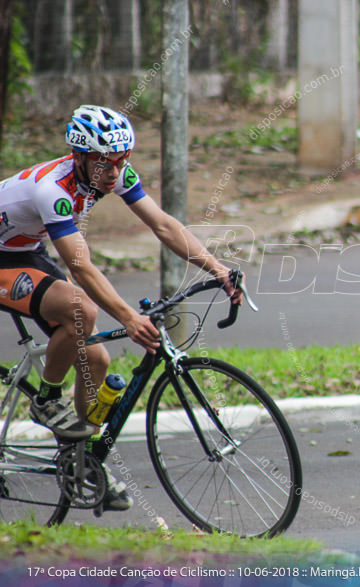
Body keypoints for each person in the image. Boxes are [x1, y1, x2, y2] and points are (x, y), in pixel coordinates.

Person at [0, 105, 242, 510]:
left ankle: (80, 462)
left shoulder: (113, 173)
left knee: (96, 360)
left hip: (23, 250)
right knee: (82, 309)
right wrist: (129, 317)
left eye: (120, 161)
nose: (113, 173)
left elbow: (163, 225)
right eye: (103, 163)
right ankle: (45, 399)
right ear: (78, 156)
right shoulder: (52, 191)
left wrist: (216, 268)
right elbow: (81, 266)